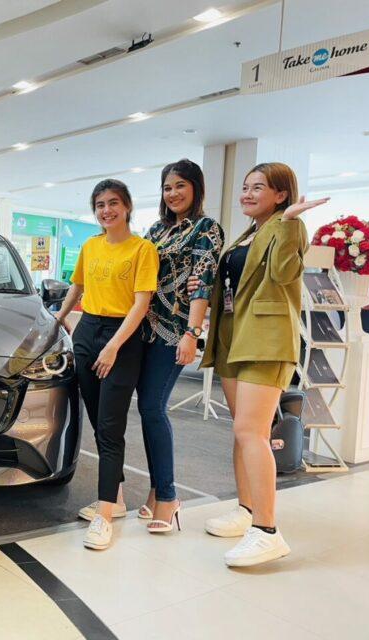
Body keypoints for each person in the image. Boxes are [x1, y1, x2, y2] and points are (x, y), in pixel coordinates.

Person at [195, 162, 328, 567]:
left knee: (250, 431)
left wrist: (288, 223)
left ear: (281, 194)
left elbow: (285, 274)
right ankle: (247, 509)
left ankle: (267, 531)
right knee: (242, 432)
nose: (247, 194)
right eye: (245, 187)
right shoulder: (249, 232)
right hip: (234, 337)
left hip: (266, 340)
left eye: (258, 188)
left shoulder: (288, 227)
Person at [54, 179, 159, 550]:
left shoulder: (143, 249)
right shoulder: (91, 245)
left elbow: (141, 303)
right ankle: (116, 499)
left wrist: (114, 346)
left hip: (123, 338)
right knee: (99, 423)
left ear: (127, 206)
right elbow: (77, 286)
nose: (106, 210)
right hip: (87, 331)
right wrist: (57, 318)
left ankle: (104, 517)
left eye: (113, 203)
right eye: (100, 205)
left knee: (111, 427)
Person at [132, 160, 224, 533]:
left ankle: (169, 496)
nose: (173, 193)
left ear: (196, 187)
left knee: (153, 407)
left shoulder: (206, 228)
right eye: (167, 187)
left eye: (180, 185)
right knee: (146, 409)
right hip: (142, 328)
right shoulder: (156, 229)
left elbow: (202, 283)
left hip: (174, 331)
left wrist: (192, 333)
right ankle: (156, 491)